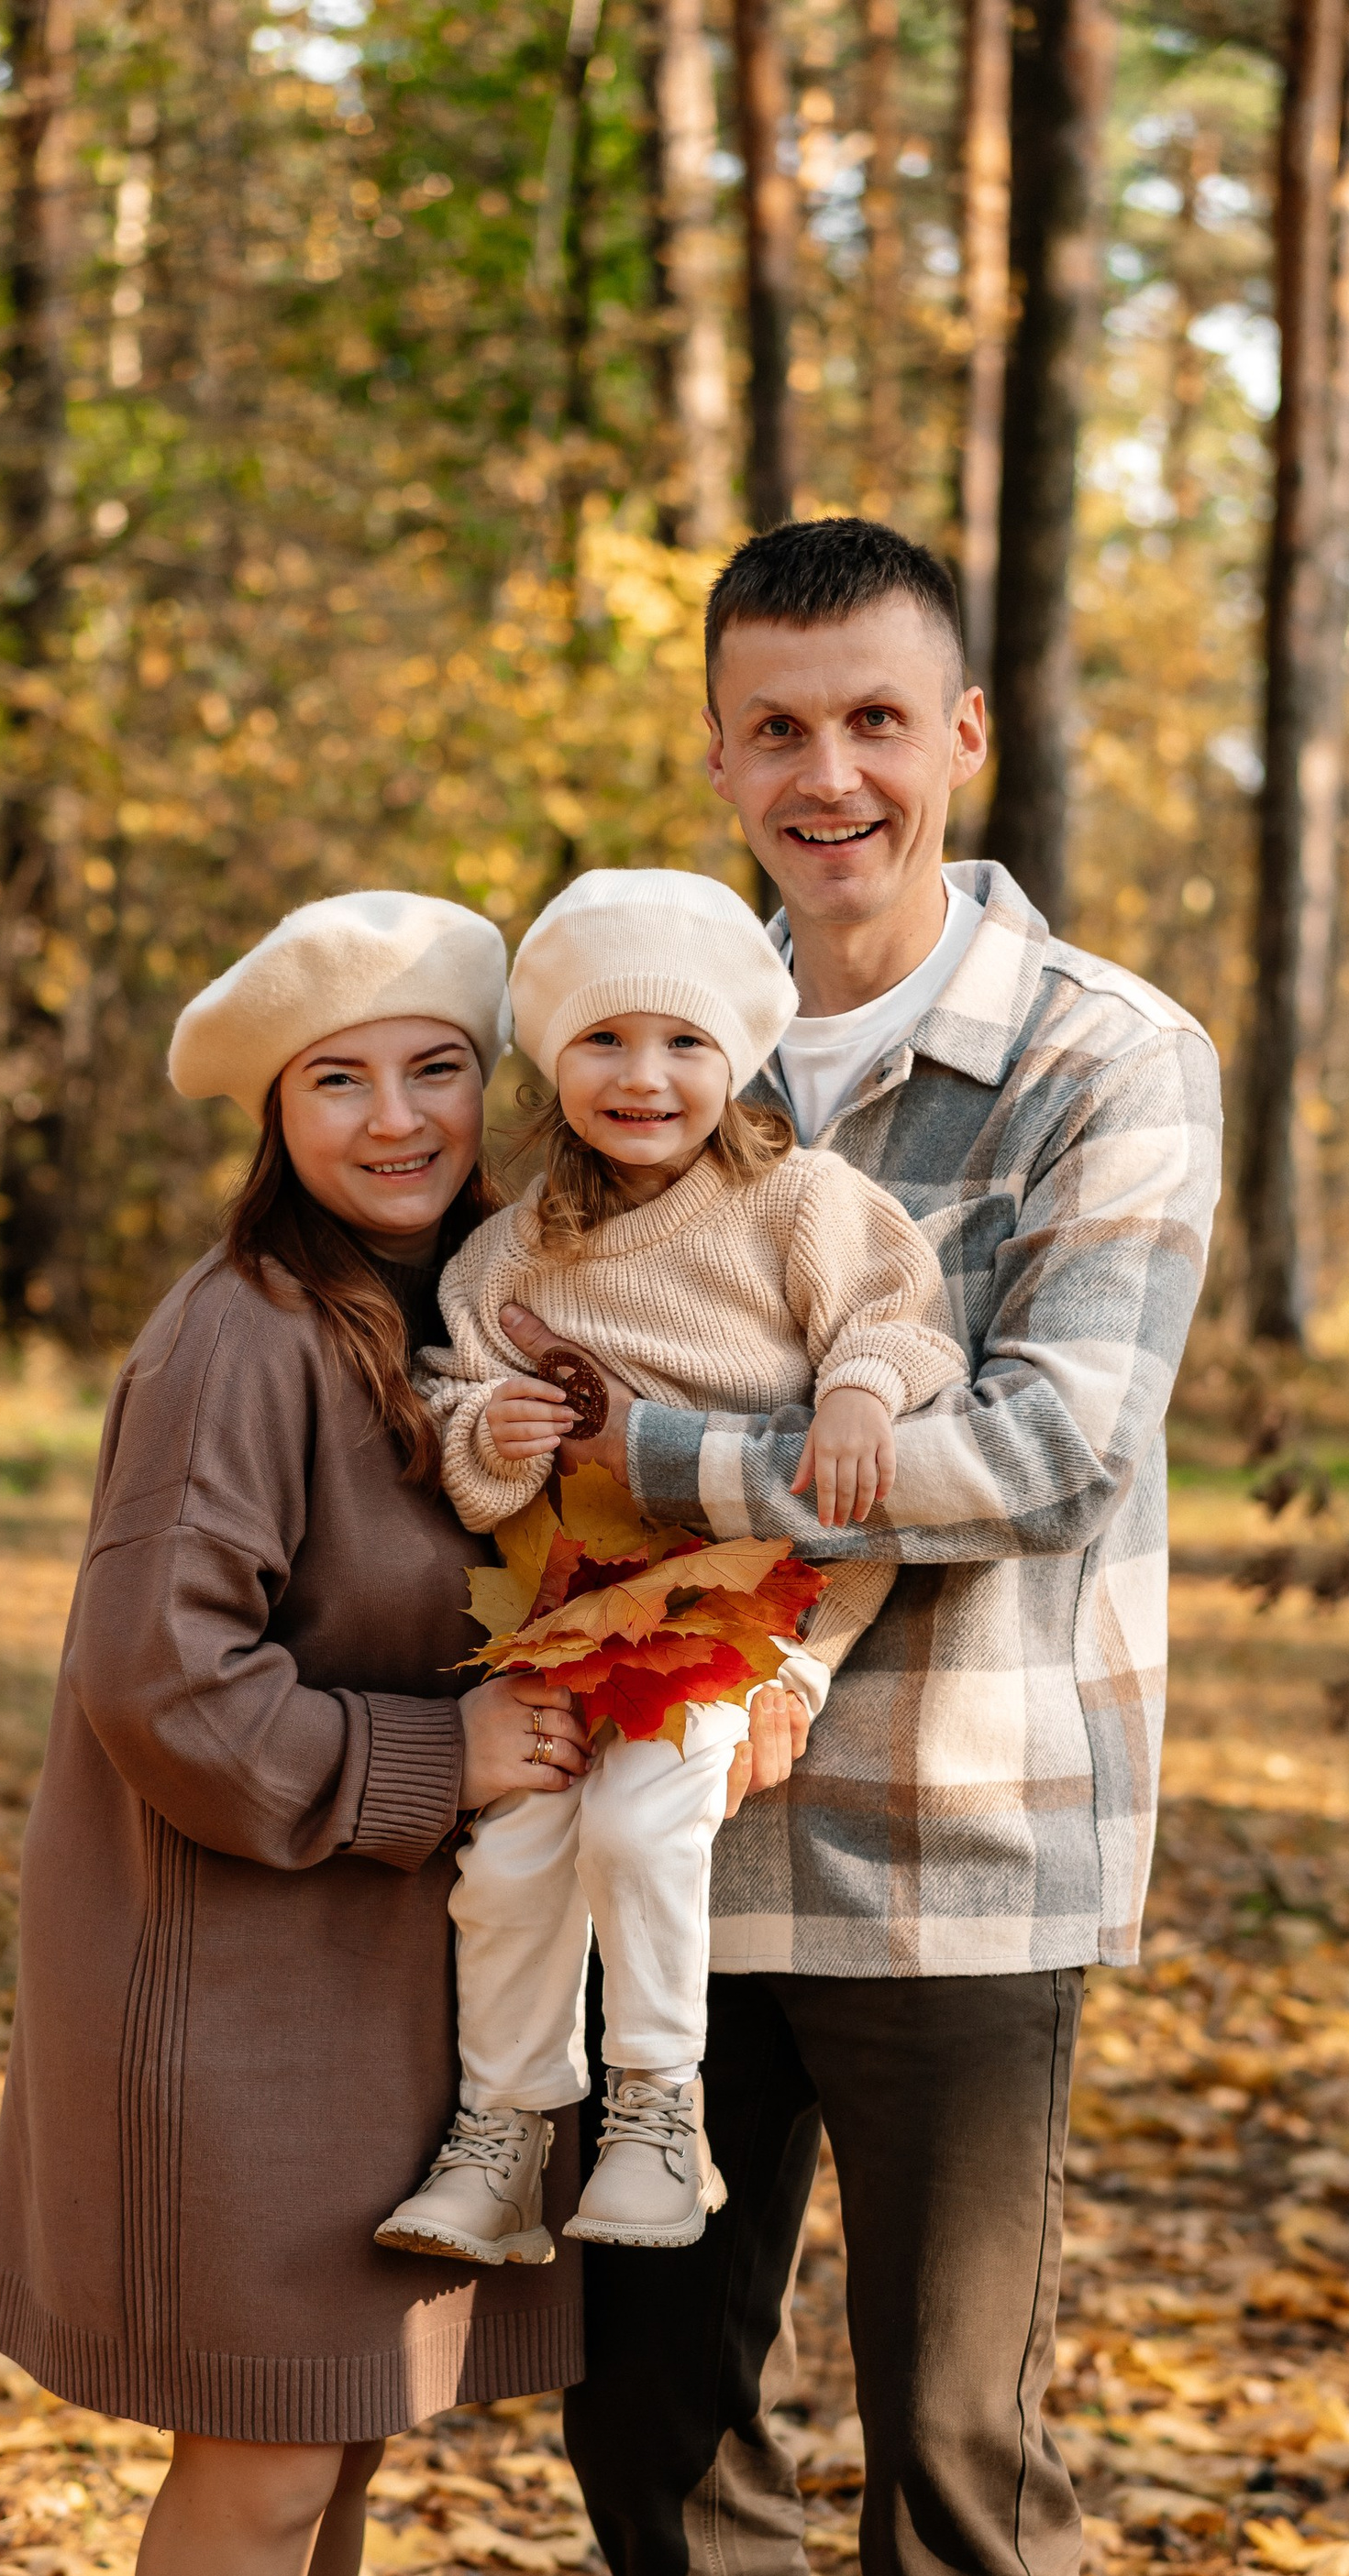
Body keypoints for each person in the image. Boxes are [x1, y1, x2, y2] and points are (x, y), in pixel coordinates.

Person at [504, 521, 1223, 2576]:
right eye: (774, 728)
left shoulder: (1099, 1055)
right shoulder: (632, 1026)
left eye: (875, 725)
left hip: (960, 1841)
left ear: (963, 746)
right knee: (656, 2404)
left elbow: (1048, 1447)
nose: (827, 778)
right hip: (653, 1830)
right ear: (718, 749)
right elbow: (481, 1334)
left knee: (956, 2445)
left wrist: (640, 1471)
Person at [0, 890, 591, 2576]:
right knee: (251, 2458)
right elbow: (162, 1683)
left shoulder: (457, 1321)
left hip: (378, 1973)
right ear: (276, 1113)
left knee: (329, 2443)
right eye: (342, 1079)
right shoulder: (236, 1336)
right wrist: (446, 1764)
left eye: (436, 1066)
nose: (398, 1112)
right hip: (219, 1971)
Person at [373, 866, 963, 2265]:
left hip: (741, 1592)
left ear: (738, 1054)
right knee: (511, 1854)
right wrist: (491, 1430)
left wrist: (863, 1391)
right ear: (554, 1057)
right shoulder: (505, 1256)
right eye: (606, 1041)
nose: (646, 1077)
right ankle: (505, 2134)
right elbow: (459, 1415)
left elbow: (904, 1316)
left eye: (685, 1042)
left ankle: (654, 2111)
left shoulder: (800, 1202)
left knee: (641, 1827)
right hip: (575, 1600)